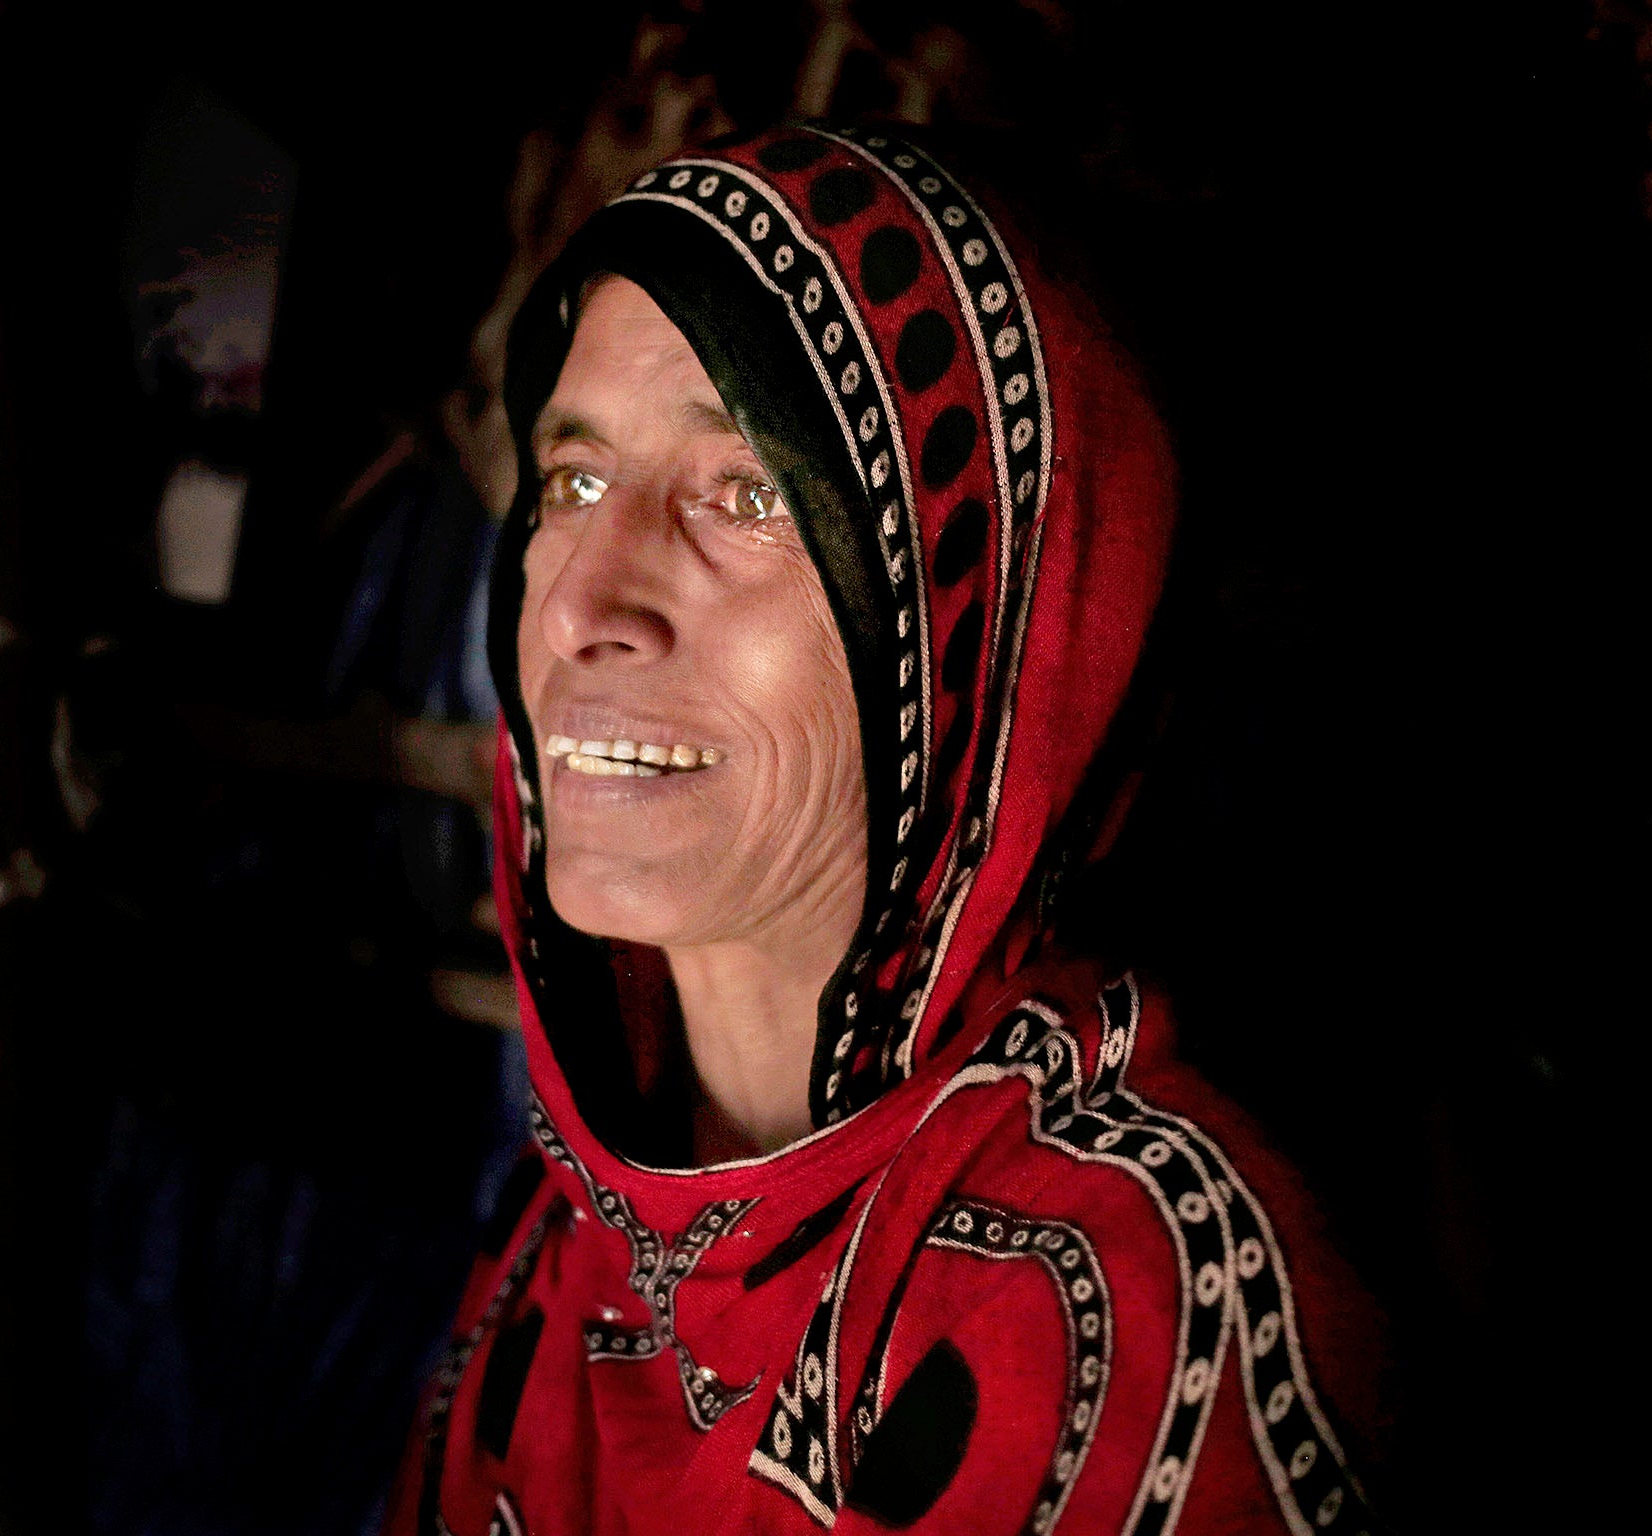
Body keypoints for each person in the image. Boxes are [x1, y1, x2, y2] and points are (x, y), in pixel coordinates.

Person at [386, 122, 1389, 1535]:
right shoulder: (570, 1242)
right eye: (576, 483)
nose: (576, 608)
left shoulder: (1145, 1322)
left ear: (981, 648)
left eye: (748, 495)